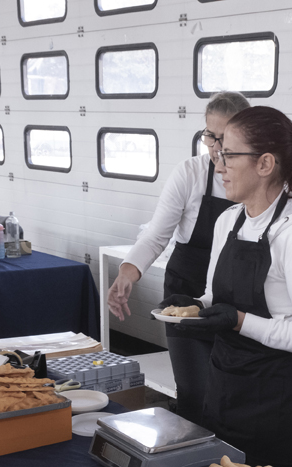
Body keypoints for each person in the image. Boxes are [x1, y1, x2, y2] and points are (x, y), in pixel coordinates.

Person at [166, 106, 292, 467]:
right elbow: (216, 297)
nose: (219, 165)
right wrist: (194, 306)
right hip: (229, 391)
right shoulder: (228, 220)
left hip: (283, 405)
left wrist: (239, 321)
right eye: (218, 153)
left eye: (229, 155)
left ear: (265, 164)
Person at [107, 91, 251, 424]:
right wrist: (127, 273)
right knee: (195, 392)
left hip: (236, 300)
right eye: (210, 136)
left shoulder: (254, 181)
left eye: (225, 138)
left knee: (234, 396)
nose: (216, 147)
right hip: (186, 295)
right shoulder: (190, 174)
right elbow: (156, 234)